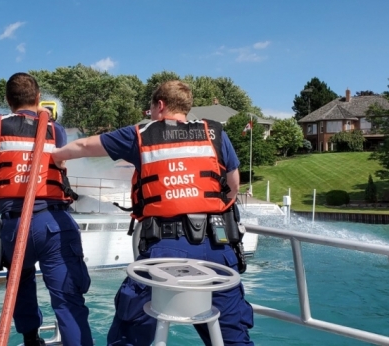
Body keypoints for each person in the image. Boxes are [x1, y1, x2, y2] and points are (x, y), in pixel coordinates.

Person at [51, 80, 254, 346]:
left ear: (160, 105)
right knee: (232, 336)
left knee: (131, 331)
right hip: (217, 248)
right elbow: (234, 184)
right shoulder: (214, 133)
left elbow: (85, 146)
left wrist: (56, 157)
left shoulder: (141, 134)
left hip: (164, 249)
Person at [0, 72, 93, 346]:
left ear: (8, 101)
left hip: (14, 226)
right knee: (67, 298)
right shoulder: (56, 130)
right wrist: (41, 115)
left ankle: (31, 339)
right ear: (39, 98)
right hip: (53, 224)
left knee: (20, 281)